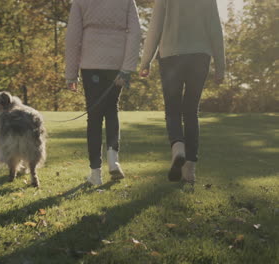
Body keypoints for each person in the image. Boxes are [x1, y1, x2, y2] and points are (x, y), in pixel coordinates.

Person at [139, 0, 225, 184]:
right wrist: (220, 66)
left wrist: (146, 61)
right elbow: (215, 28)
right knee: (191, 111)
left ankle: (178, 147)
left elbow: (155, 27)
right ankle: (190, 170)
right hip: (200, 56)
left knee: (173, 109)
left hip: (171, 56)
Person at [65, 0, 141, 185]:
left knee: (94, 116)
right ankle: (113, 160)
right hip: (116, 63)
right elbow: (136, 32)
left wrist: (71, 75)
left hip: (91, 64)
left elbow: (73, 38)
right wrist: (127, 68)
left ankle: (95, 174)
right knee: (111, 109)